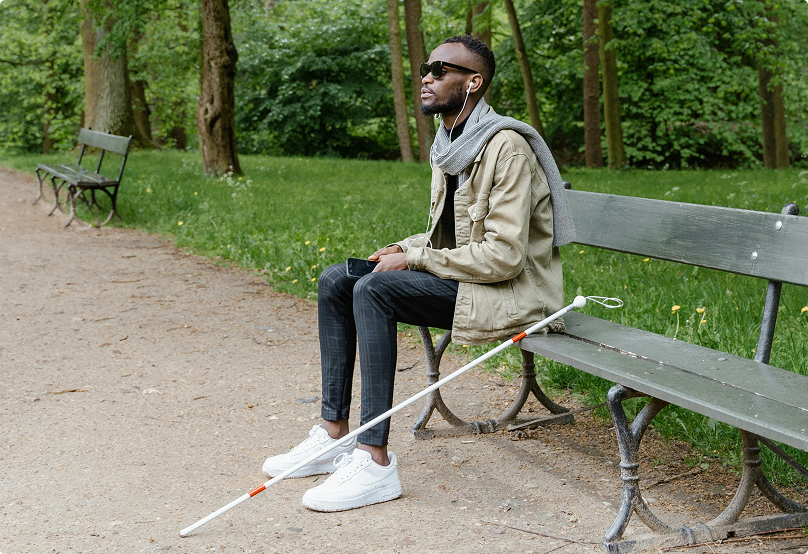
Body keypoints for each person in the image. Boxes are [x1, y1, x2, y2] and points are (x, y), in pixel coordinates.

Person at [262, 34, 575, 513]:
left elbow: (505, 257)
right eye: (426, 68)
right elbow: (447, 235)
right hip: (472, 281)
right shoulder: (450, 142)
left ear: (473, 83)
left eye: (440, 70)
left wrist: (417, 259)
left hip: (515, 293)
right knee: (337, 280)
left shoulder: (506, 147)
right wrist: (405, 247)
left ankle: (375, 462)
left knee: (377, 290)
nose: (426, 77)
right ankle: (333, 435)